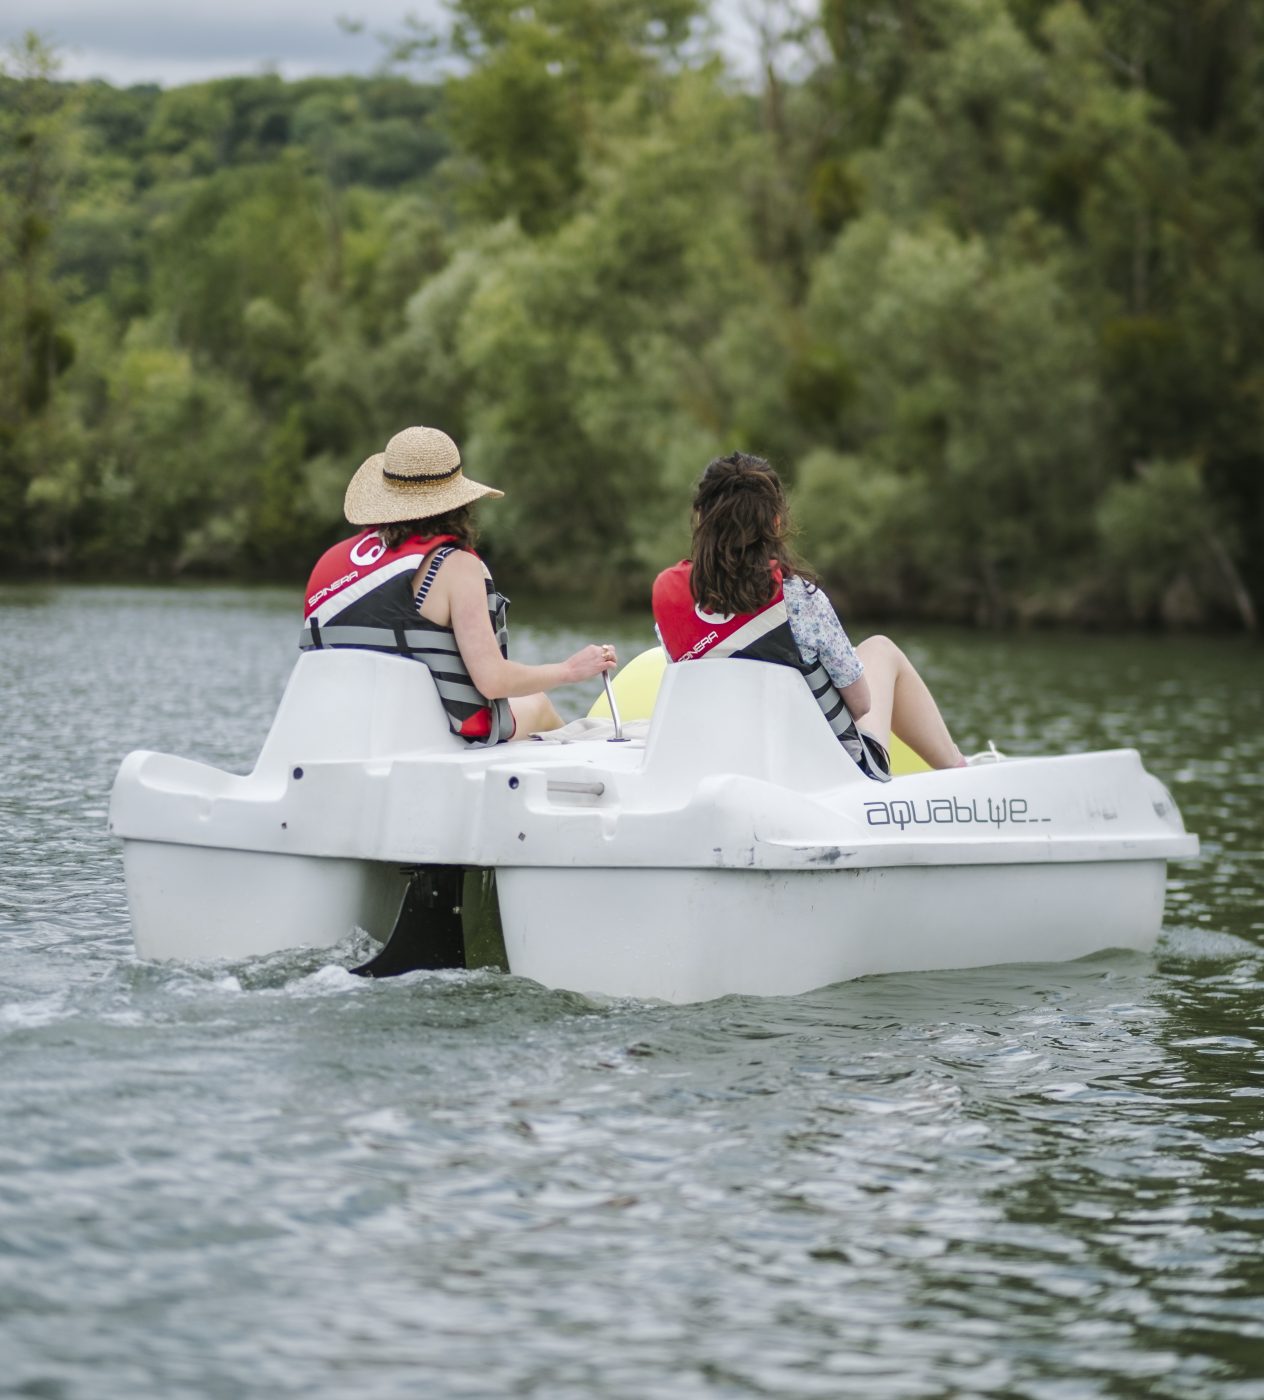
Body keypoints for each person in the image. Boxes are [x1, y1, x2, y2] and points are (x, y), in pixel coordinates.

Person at [300, 425, 616, 743]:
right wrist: (569, 670)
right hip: (425, 735)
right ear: (458, 502)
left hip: (337, 732)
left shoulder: (328, 563)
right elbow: (491, 681)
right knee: (541, 706)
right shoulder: (455, 565)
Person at [652, 452, 965, 773]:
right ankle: (957, 770)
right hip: (828, 775)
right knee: (879, 649)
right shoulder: (799, 598)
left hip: (729, 766)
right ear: (775, 521)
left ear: (701, 517)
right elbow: (860, 705)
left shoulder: (666, 597)